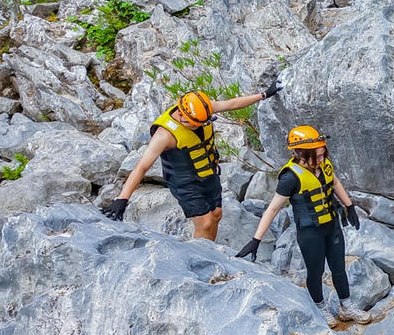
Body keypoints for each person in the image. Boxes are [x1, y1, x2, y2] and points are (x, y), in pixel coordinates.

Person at [102, 81, 280, 240]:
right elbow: (141, 167)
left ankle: (211, 252)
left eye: (203, 123)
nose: (199, 126)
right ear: (180, 115)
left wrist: (264, 95)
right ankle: (202, 257)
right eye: (195, 124)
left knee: (216, 214)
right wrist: (122, 199)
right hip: (184, 181)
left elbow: (232, 104)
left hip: (207, 172)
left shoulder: (200, 109)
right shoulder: (164, 135)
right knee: (205, 221)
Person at [235, 125, 372, 328]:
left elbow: (334, 183)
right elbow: (272, 209)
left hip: (332, 226)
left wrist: (349, 206)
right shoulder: (290, 177)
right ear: (299, 153)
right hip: (310, 232)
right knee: (315, 271)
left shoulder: (323, 163)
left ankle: (346, 306)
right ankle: (320, 306)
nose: (320, 158)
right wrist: (256, 240)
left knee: (339, 268)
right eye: (316, 155)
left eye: (322, 154)